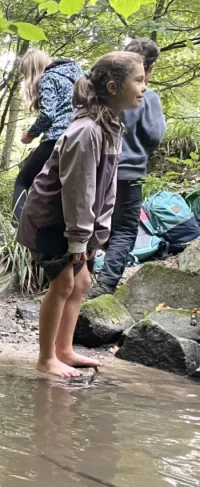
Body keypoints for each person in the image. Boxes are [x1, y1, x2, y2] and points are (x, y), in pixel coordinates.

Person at [17, 51, 146, 377]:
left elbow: (106, 190)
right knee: (63, 283)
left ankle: (64, 350)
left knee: (82, 281)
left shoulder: (111, 127)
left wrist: (96, 237)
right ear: (113, 87)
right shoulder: (86, 131)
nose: (144, 87)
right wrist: (78, 240)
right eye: (139, 80)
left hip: (74, 222)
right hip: (51, 218)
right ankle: (46, 358)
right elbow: (78, 190)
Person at [88, 39, 166, 298]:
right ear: (150, 67)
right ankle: (105, 285)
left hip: (99, 169)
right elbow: (154, 136)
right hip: (130, 172)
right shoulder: (148, 97)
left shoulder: (103, 93)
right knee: (124, 228)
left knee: (93, 221)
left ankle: (82, 277)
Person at [12, 50, 84, 223]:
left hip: (56, 139)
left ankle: (17, 227)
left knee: (22, 182)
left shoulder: (48, 77)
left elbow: (47, 115)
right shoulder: (79, 76)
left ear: (32, 70)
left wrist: (29, 135)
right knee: (60, 187)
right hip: (82, 138)